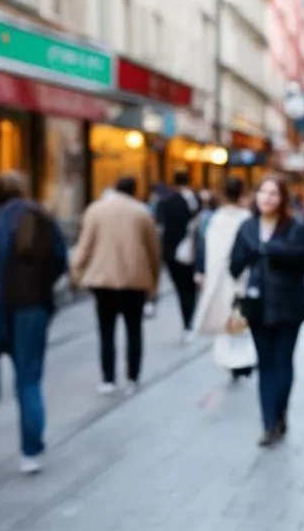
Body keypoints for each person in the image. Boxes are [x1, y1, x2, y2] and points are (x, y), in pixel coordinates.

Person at [0, 172, 68, 473]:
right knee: (29, 379)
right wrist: (42, 287)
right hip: (33, 307)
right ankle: (30, 452)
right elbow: (60, 259)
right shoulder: (42, 217)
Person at [229, 174, 304, 446]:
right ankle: (269, 422)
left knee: (283, 360)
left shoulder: (294, 227)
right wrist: (249, 255)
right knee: (265, 364)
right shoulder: (247, 228)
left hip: (289, 305)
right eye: (263, 192)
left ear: (282, 199)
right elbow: (234, 266)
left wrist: (269, 250)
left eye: (273, 193)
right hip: (256, 305)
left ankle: (280, 411)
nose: (267, 198)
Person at [71, 176, 162, 396]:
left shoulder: (95, 210)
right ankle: (132, 377)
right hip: (135, 280)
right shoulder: (142, 213)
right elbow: (154, 251)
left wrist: (77, 273)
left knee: (106, 330)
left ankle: (108, 378)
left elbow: (84, 246)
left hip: (103, 281)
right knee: (134, 330)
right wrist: (154, 281)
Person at [193, 177, 256, 381]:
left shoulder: (213, 218)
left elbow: (202, 245)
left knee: (227, 315)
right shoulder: (247, 218)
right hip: (241, 276)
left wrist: (201, 270)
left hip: (219, 275)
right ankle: (239, 359)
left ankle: (235, 360)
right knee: (238, 316)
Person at [156, 170, 200, 341]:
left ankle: (187, 321)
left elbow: (160, 228)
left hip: (172, 253)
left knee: (182, 289)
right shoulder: (195, 201)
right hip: (193, 252)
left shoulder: (166, 202)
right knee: (191, 289)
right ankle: (189, 321)